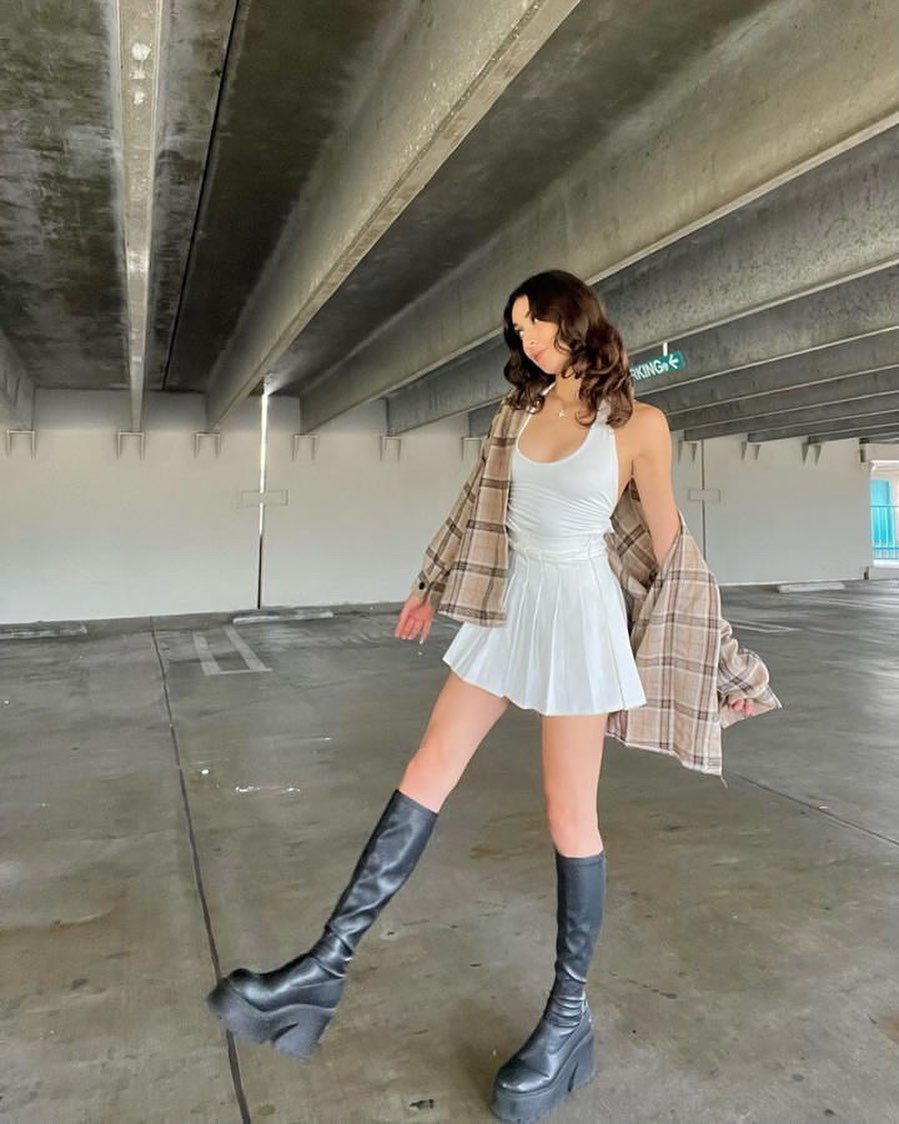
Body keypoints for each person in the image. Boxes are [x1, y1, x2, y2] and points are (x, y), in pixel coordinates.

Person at [207, 270, 771, 1124]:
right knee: (426, 768)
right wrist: (428, 582)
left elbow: (674, 556)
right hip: (508, 605)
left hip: (580, 615)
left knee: (568, 815)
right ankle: (323, 967)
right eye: (518, 330)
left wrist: (730, 666)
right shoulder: (515, 413)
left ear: (576, 319)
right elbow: (473, 508)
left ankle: (568, 1021)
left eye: (538, 321)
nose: (529, 340)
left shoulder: (639, 425)